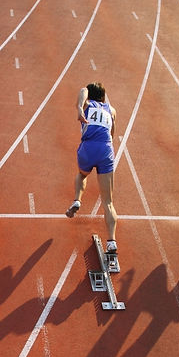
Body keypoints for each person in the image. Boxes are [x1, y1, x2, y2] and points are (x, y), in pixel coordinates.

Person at [66, 82, 118, 254]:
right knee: (108, 202)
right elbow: (112, 134)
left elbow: (82, 90)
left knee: (82, 175)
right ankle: (111, 242)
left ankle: (77, 200)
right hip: (105, 149)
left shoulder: (87, 105)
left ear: (89, 96)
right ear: (103, 97)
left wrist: (80, 108)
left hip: (88, 148)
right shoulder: (111, 110)